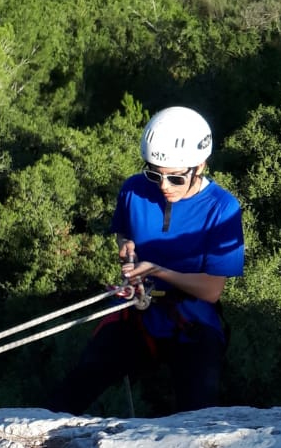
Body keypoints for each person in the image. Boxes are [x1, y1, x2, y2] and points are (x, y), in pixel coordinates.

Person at [51, 107, 244, 416]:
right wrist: (125, 246)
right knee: (77, 385)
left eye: (176, 177)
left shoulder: (222, 208)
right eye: (155, 174)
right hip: (139, 310)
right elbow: (124, 232)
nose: (164, 186)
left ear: (201, 166)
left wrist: (156, 269)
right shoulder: (134, 189)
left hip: (192, 318)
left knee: (198, 409)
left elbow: (211, 290)